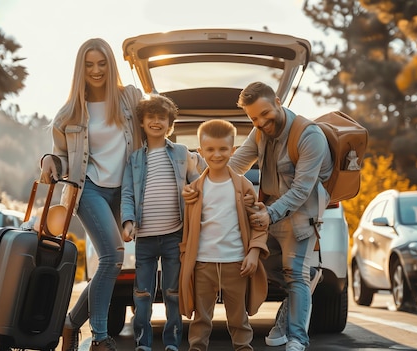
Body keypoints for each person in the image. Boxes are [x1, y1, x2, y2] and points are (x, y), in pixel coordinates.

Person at [183, 82, 332, 351]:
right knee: (265, 267)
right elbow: (237, 164)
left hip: (300, 213)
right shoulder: (259, 132)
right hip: (269, 209)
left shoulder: (310, 136)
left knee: (294, 273)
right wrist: (200, 179)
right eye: (254, 118)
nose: (261, 122)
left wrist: (270, 214)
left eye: (265, 114)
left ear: (277, 101)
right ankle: (299, 295)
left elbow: (301, 189)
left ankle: (297, 337)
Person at [39, 38, 143, 351]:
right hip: (90, 190)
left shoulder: (130, 98)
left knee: (112, 263)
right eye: (89, 64)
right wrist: (50, 160)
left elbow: (156, 126)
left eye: (102, 63)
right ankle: (99, 337)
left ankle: (71, 323)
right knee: (112, 257)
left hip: (126, 191)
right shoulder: (70, 113)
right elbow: (62, 157)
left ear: (110, 66)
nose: (96, 70)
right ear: (80, 69)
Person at [120, 95, 203, 351]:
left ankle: (172, 343)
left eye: (162, 118)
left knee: (172, 293)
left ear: (170, 124)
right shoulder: (134, 159)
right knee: (142, 294)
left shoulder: (180, 153)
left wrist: (197, 185)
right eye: (151, 117)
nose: (156, 122)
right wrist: (127, 221)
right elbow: (127, 193)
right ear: (142, 123)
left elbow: (197, 181)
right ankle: (143, 343)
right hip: (144, 237)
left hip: (174, 235)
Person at [179, 119, 269, 351]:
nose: (216, 154)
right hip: (203, 263)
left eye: (222, 149)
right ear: (200, 151)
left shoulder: (243, 186)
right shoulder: (195, 189)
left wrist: (254, 253)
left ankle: (243, 348)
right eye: (210, 149)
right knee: (201, 319)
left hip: (236, 263)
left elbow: (259, 222)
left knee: (239, 319)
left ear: (233, 150)